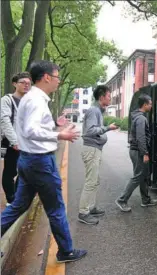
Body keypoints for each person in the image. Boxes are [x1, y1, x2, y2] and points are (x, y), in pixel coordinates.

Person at [1, 60, 87, 263]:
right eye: (57, 77)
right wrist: (60, 135)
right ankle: (66, 251)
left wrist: (55, 128)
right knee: (56, 207)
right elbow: (32, 130)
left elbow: (31, 128)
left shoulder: (30, 99)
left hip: (28, 160)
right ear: (47, 77)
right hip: (40, 163)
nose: (58, 82)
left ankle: (65, 249)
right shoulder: (36, 100)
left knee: (19, 205)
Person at [78, 85, 118, 225]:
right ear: (101, 97)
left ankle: (91, 207)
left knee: (95, 180)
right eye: (108, 96)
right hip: (91, 149)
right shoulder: (93, 110)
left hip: (95, 149)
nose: (110, 98)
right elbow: (90, 131)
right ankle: (83, 212)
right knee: (91, 181)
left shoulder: (98, 111)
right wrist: (108, 128)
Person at [116, 94, 157, 212]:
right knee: (138, 176)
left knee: (143, 175)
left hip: (137, 150)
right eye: (150, 104)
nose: (151, 106)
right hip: (138, 151)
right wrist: (145, 153)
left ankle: (145, 200)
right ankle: (122, 200)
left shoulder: (139, 116)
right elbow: (140, 137)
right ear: (144, 105)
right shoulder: (141, 119)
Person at [1, 72, 31, 205]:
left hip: (26, 142)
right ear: (14, 84)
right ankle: (11, 199)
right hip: (11, 142)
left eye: (29, 83)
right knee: (10, 171)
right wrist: (14, 141)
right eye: (23, 82)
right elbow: (4, 121)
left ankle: (17, 196)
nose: (26, 85)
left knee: (26, 170)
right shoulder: (7, 100)